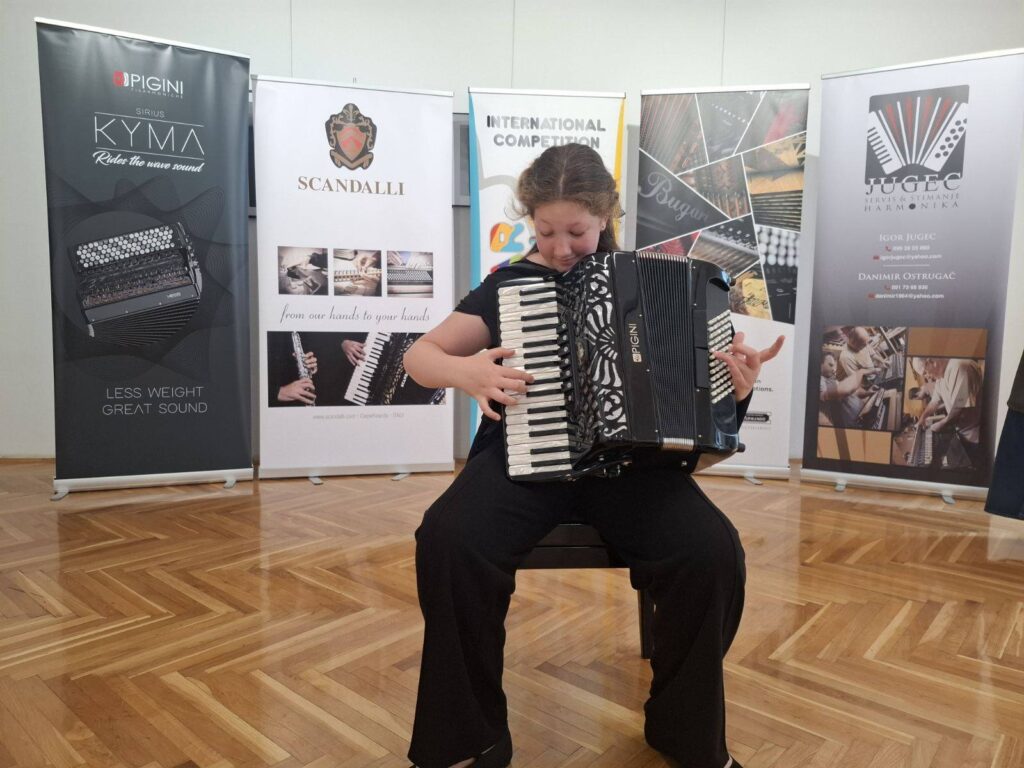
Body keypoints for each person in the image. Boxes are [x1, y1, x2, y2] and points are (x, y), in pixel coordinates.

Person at [403, 143, 783, 768]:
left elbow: (698, 421)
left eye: (575, 231)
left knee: (711, 552)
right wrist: (467, 373)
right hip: (524, 459)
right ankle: (472, 737)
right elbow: (420, 358)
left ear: (605, 216)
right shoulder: (509, 286)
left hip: (630, 469)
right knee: (449, 539)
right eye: (545, 230)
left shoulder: (655, 284)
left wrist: (736, 390)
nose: (559, 248)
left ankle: (684, 730)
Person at [818, 351, 876, 428]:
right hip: (855, 426)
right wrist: (860, 372)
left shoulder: (832, 380)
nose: (834, 369)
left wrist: (867, 393)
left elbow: (853, 392)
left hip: (863, 417)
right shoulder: (819, 381)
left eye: (834, 366)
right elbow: (844, 390)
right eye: (830, 365)